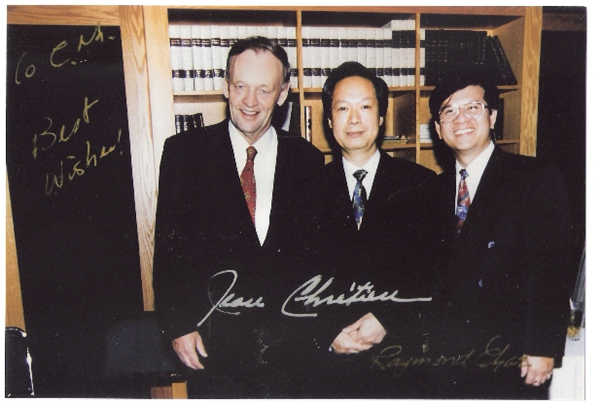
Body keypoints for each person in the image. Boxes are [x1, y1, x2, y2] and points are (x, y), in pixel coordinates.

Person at [152, 36, 324, 398]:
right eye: (241, 86)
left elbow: (317, 258)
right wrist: (178, 325)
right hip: (212, 350)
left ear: (282, 93)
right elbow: (168, 253)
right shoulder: (184, 153)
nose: (250, 101)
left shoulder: (307, 159)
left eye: (264, 89)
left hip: (291, 354)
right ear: (225, 87)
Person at [425, 71, 574, 399]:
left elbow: (552, 269)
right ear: (437, 128)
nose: (460, 119)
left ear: (492, 116)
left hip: (510, 355)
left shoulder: (534, 177)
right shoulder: (432, 190)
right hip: (445, 356)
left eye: (473, 107)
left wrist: (542, 346)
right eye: (449, 111)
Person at [313, 61, 436, 397]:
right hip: (324, 371)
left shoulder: (421, 185)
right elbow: (288, 274)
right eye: (342, 108)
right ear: (329, 120)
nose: (354, 119)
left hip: (399, 367)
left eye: (365, 107)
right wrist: (326, 332)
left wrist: (388, 319)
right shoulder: (303, 190)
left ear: (381, 117)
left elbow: (434, 272)